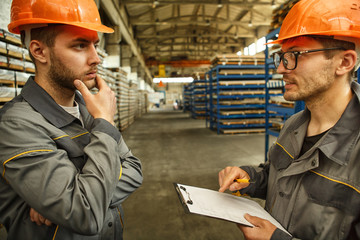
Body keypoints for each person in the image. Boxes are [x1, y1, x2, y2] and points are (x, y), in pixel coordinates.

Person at [0, 0, 143, 239]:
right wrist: (105, 125)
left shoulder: (90, 109)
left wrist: (68, 204)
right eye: (80, 45)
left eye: (95, 46)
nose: (96, 58)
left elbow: (135, 169)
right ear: (39, 51)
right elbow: (84, 214)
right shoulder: (16, 126)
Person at [218, 0, 360, 239]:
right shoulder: (293, 125)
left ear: (344, 62)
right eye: (281, 57)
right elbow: (278, 176)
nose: (281, 69)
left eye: (294, 55)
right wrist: (250, 177)